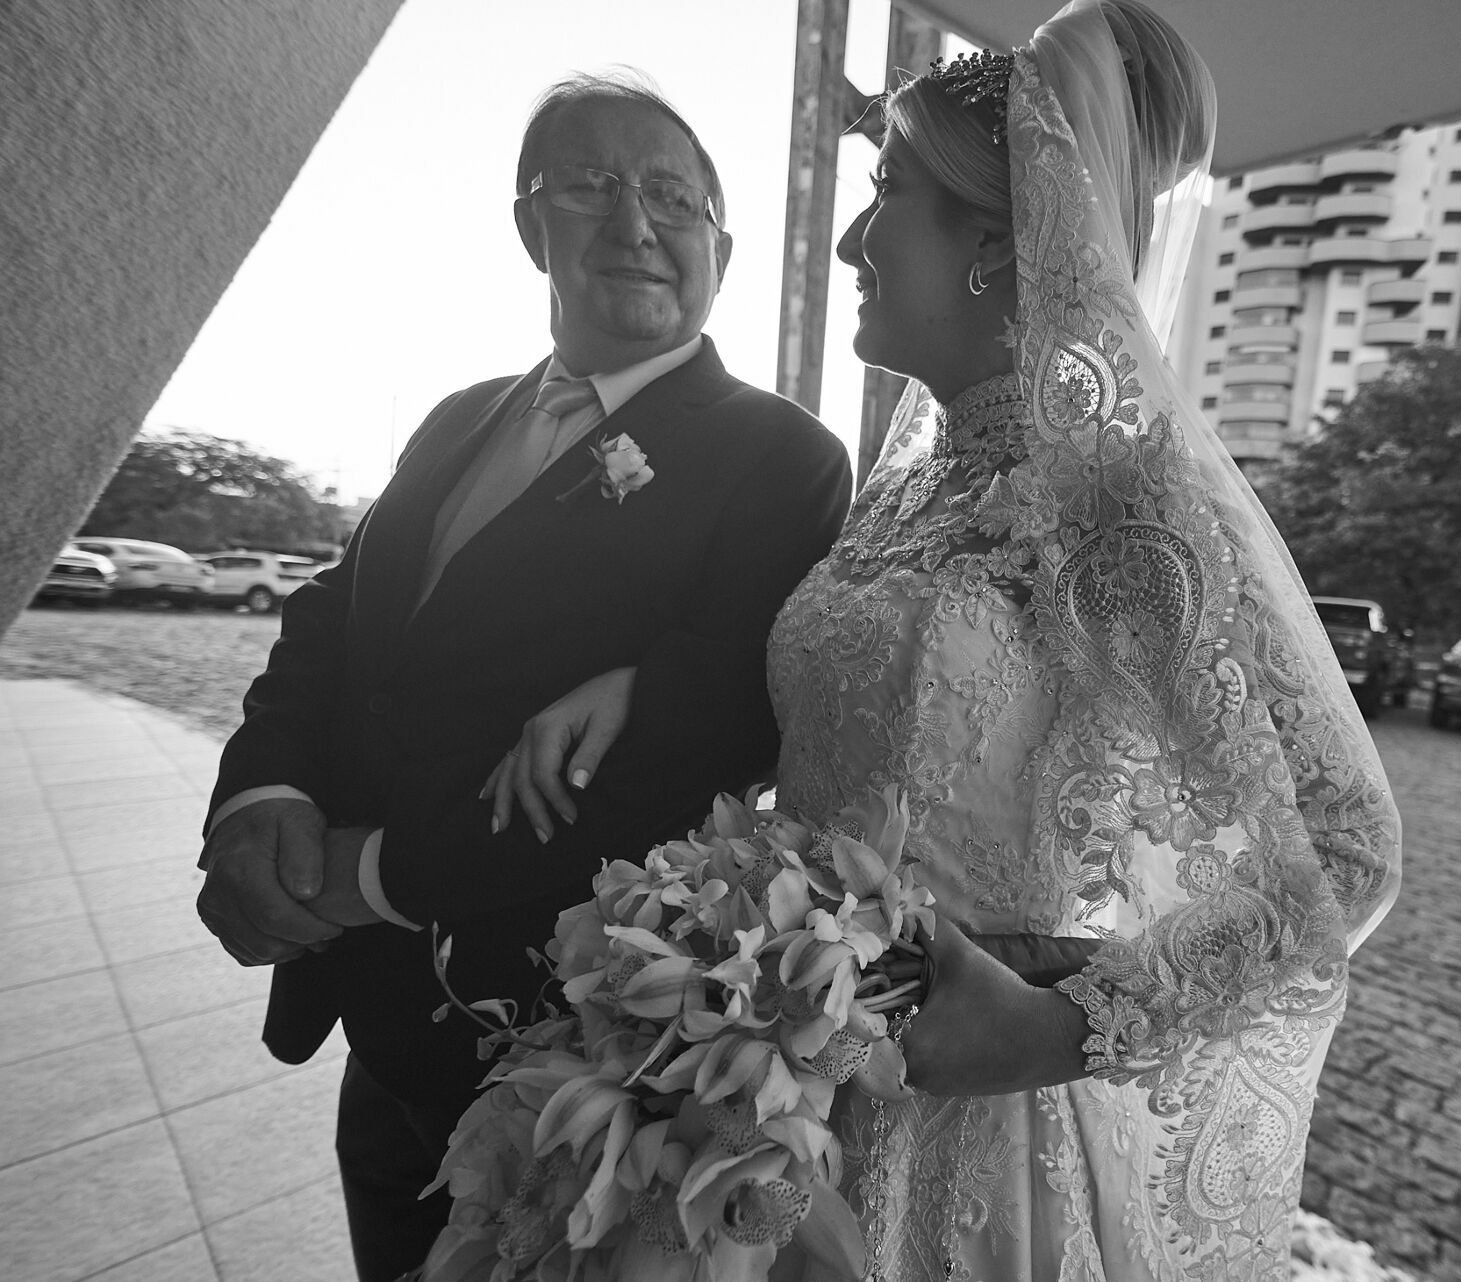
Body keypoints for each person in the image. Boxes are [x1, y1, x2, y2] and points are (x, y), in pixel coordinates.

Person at [486, 4, 1400, 1277]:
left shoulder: (1120, 501)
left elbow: (1347, 850)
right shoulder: (905, 483)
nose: (857, 233)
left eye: (887, 191)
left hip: (962, 1126)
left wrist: (1049, 1028)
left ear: (996, 240)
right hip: (768, 1078)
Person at [193, 73, 852, 1282]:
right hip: (367, 1018)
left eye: (673, 197)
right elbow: (336, 622)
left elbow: (680, 752)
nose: (636, 223)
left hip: (544, 1043)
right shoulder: (453, 418)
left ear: (725, 245)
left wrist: (366, 872)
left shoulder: (781, 459)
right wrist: (260, 797)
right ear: (527, 223)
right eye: (591, 186)